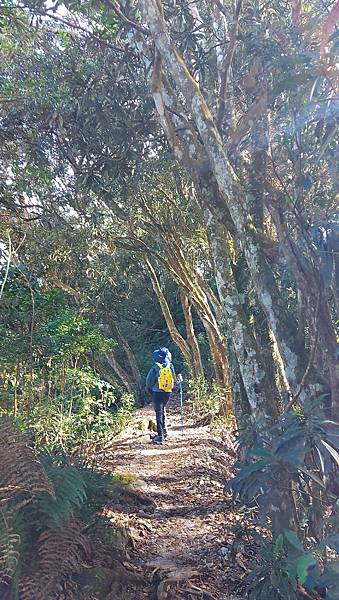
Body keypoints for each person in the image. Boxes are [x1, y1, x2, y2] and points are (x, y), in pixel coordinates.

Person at [145, 347, 175, 445]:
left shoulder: (155, 366)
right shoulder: (170, 365)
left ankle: (160, 436)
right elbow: (174, 379)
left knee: (158, 413)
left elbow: (148, 381)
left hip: (157, 392)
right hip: (168, 392)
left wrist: (149, 390)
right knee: (163, 410)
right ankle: (164, 431)